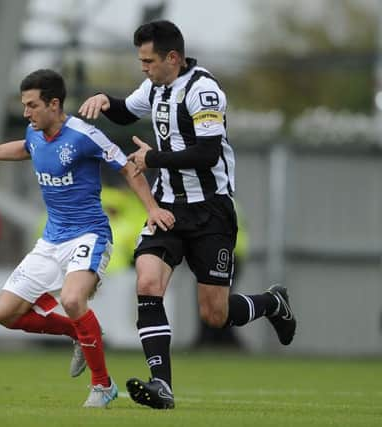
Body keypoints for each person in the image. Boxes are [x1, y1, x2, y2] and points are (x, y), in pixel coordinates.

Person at [79, 20, 297, 410]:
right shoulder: (156, 86)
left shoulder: (204, 91)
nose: (143, 68)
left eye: (148, 61)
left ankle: (271, 303)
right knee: (147, 283)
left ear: (173, 58)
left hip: (211, 212)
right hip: (167, 208)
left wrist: (152, 158)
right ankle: (161, 386)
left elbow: (207, 153)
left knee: (215, 314)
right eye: (141, 61)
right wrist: (103, 100)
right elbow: (128, 111)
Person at [0, 69, 174, 408]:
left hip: (89, 234)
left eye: (32, 105)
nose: (26, 113)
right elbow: (25, 147)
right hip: (51, 240)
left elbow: (127, 167)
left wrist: (152, 209)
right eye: (24, 106)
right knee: (5, 313)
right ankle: (79, 333)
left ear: (54, 104)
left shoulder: (85, 135)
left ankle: (102, 385)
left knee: (72, 300)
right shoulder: (34, 131)